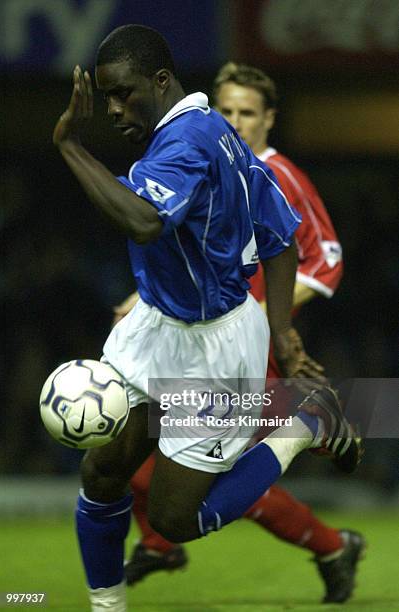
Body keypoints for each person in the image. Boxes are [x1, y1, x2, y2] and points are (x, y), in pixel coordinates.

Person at [53, 25, 360, 612]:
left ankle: (302, 429)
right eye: (106, 96)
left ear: (161, 81)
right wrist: (285, 335)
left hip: (213, 352)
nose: (114, 109)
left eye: (124, 94)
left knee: (175, 517)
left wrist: (70, 147)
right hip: (156, 327)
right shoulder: (217, 134)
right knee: (104, 471)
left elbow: (144, 221)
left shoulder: (187, 144)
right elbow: (278, 237)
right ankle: (107, 606)